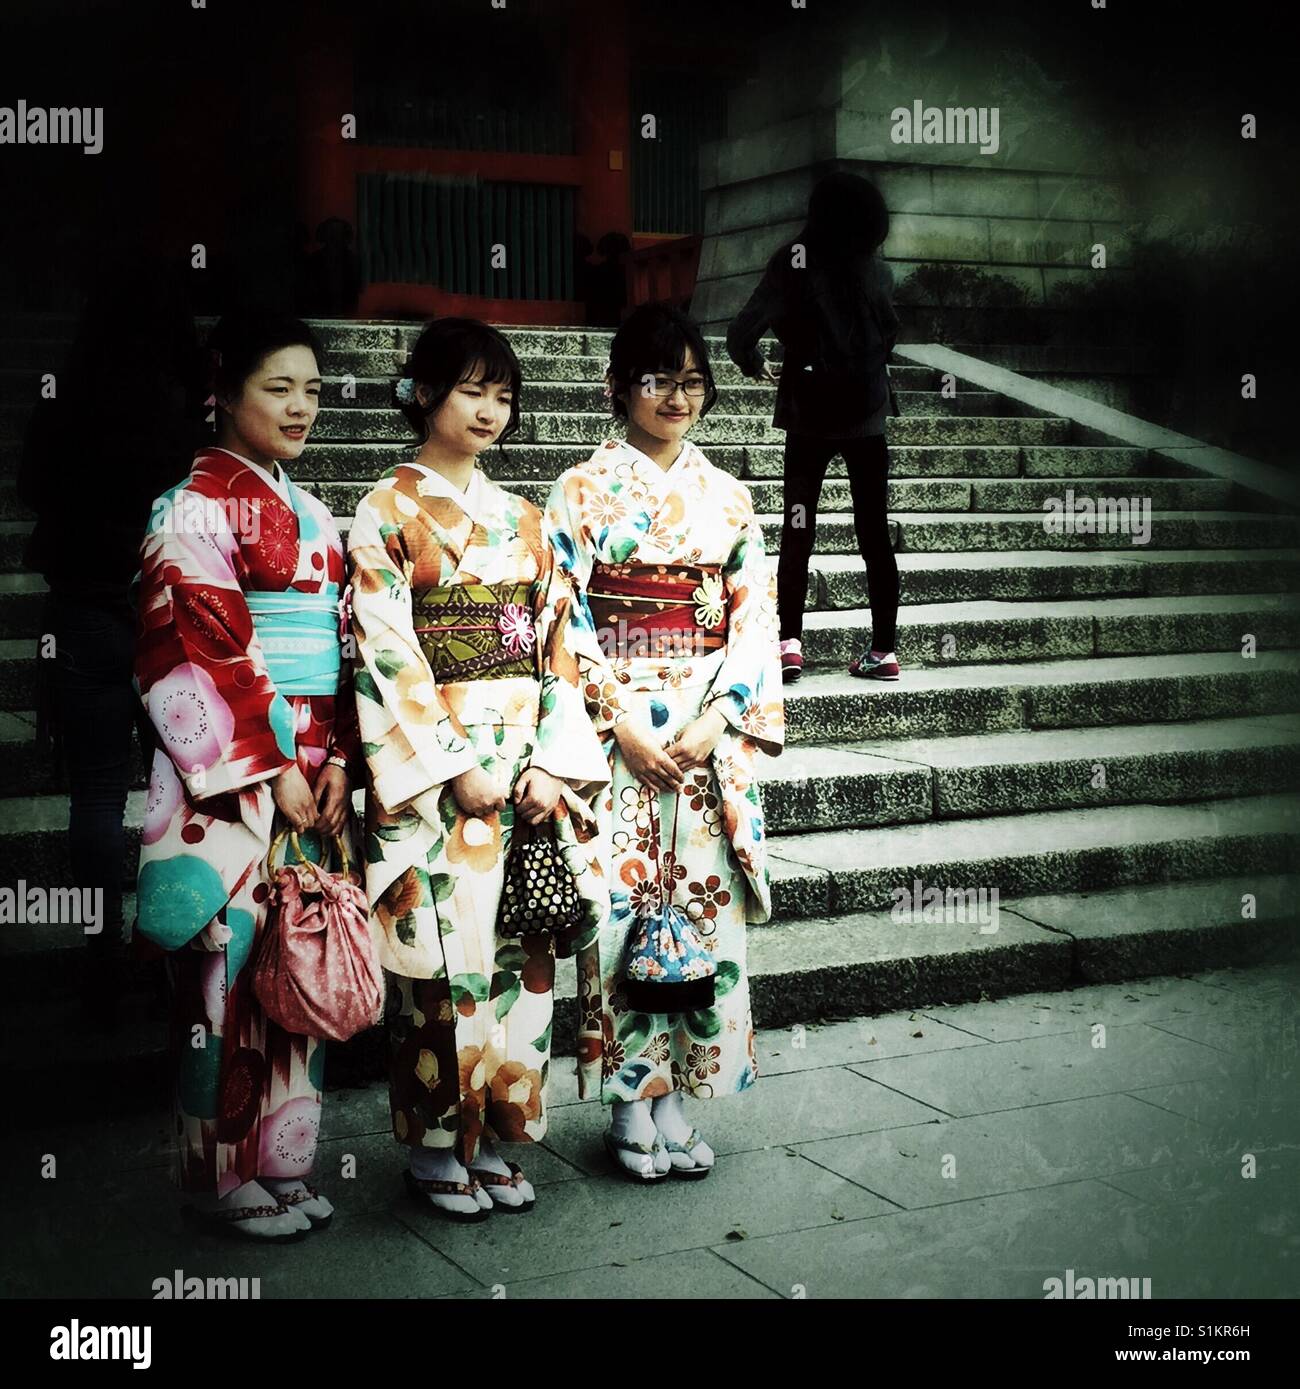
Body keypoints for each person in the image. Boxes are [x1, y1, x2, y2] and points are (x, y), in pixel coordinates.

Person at [348, 319, 610, 1221]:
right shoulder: (384, 510)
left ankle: (501, 1131)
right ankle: (432, 1148)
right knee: (442, 964)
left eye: (503, 394)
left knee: (520, 958)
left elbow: (559, 651)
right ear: (423, 393)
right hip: (440, 778)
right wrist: (453, 765)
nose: (490, 409)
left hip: (525, 775)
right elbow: (384, 648)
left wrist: (554, 766)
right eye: (471, 390)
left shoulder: (524, 520)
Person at [543, 302, 785, 1182]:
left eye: (692, 378)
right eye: (657, 377)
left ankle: (678, 1093)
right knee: (621, 913)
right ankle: (626, 1100)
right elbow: (562, 613)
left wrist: (721, 718)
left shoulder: (729, 496)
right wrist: (613, 717)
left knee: (703, 915)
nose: (677, 395)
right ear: (619, 386)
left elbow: (754, 619)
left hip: (704, 729)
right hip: (618, 733)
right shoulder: (577, 490)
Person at [134, 312, 361, 1242]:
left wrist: (340, 751)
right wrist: (270, 767)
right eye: (280, 388)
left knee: (292, 960)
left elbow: (342, 646)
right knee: (225, 969)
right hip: (225, 778)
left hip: (310, 766)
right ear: (222, 392)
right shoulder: (190, 505)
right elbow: (195, 646)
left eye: (311, 388)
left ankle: (282, 1160)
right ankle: (220, 1176)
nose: (301, 406)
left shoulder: (309, 510)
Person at [17, 252, 206, 1027]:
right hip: (164, 617)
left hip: (85, 615)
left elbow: (32, 489)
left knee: (96, 793)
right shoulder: (180, 410)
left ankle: (100, 956)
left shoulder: (64, 402)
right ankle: (164, 947)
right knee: (175, 788)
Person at [726, 170, 902, 683]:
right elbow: (887, 333)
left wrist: (756, 362)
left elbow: (742, 333)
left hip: (809, 414)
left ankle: (789, 643)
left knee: (798, 529)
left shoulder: (792, 262)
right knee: (874, 531)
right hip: (867, 415)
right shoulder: (878, 271)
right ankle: (883, 650)